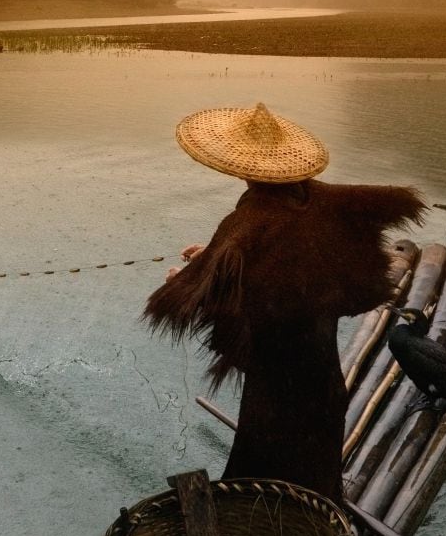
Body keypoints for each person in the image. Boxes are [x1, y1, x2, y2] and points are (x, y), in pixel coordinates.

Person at [144, 103, 425, 502]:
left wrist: (181, 280)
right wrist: (211, 252)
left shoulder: (250, 217)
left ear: (242, 166)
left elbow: (198, 290)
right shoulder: (322, 198)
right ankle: (321, 520)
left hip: (275, 377)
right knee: (317, 467)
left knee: (263, 471)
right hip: (321, 369)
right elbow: (293, 257)